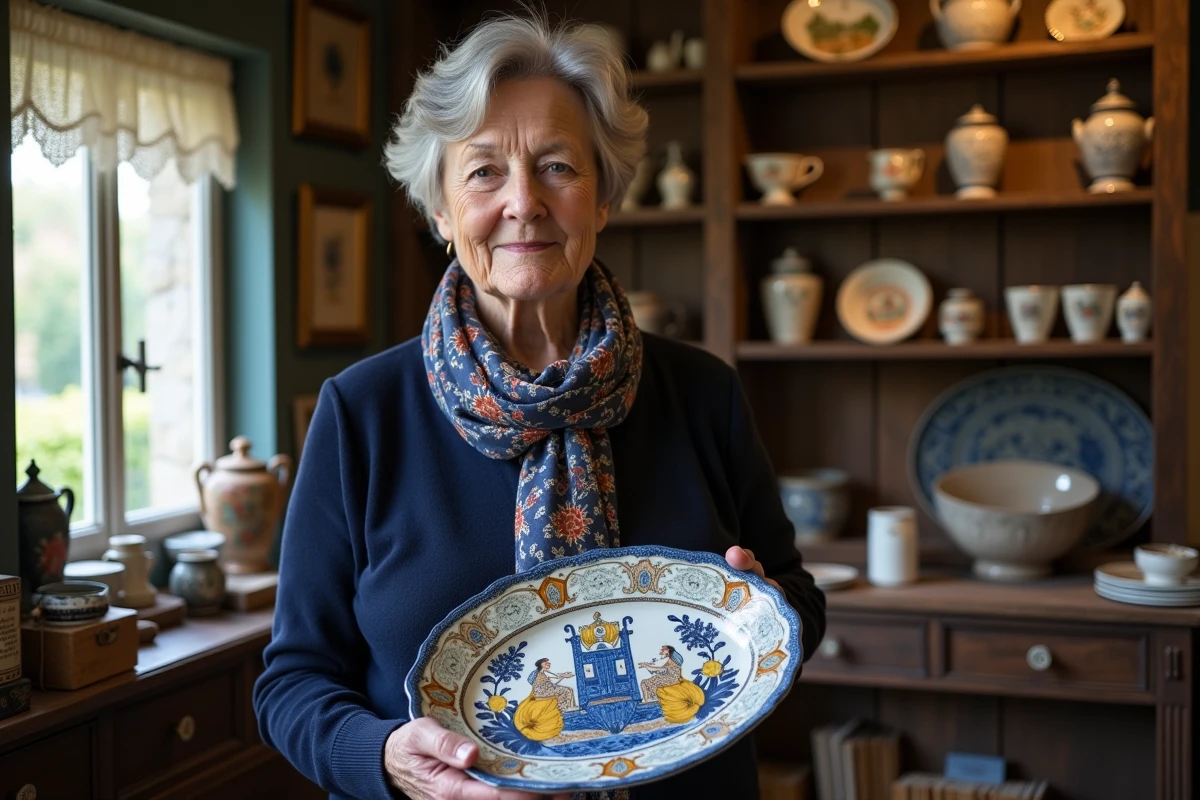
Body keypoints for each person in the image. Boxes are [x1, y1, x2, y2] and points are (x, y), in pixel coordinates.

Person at [253, 11, 826, 800]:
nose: (523, 202)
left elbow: (799, 597)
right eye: (484, 172)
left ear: (603, 199)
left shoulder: (704, 394)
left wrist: (765, 616)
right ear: (440, 211)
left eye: (557, 166)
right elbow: (292, 683)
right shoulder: (362, 413)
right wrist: (385, 756)